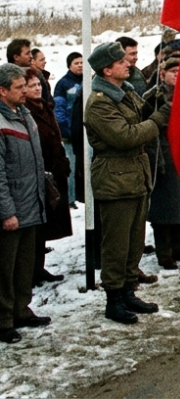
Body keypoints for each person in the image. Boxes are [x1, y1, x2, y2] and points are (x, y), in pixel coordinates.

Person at [83, 42, 167, 324]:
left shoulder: (124, 93)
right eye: (121, 62)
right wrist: (158, 119)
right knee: (116, 244)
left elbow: (138, 115)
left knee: (134, 240)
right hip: (115, 177)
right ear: (107, 70)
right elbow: (126, 136)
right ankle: (113, 299)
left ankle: (128, 289)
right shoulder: (99, 102)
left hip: (134, 174)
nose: (127, 64)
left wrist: (155, 98)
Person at [0, 64, 50, 344]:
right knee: (5, 269)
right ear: (2, 91)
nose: (25, 91)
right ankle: (3, 318)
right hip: (12, 210)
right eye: (19, 87)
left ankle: (21, 308)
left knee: (24, 264)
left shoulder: (25, 114)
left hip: (31, 204)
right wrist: (6, 211)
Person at [142, 57, 180, 269]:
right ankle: (164, 253)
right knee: (165, 207)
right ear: (162, 74)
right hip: (164, 155)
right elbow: (147, 128)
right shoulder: (152, 98)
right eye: (173, 71)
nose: (177, 74)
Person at [21, 68, 70, 285]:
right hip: (37, 175)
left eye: (39, 84)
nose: (37, 88)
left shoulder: (45, 108)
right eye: (31, 85)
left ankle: (38, 268)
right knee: (35, 227)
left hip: (54, 173)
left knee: (46, 225)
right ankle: (29, 272)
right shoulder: (24, 112)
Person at [53, 52, 83, 204]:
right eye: (76, 63)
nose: (80, 65)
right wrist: (66, 131)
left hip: (86, 132)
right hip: (71, 134)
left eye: (82, 62)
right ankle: (70, 199)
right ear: (69, 65)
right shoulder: (63, 84)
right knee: (71, 167)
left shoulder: (88, 82)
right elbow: (59, 109)